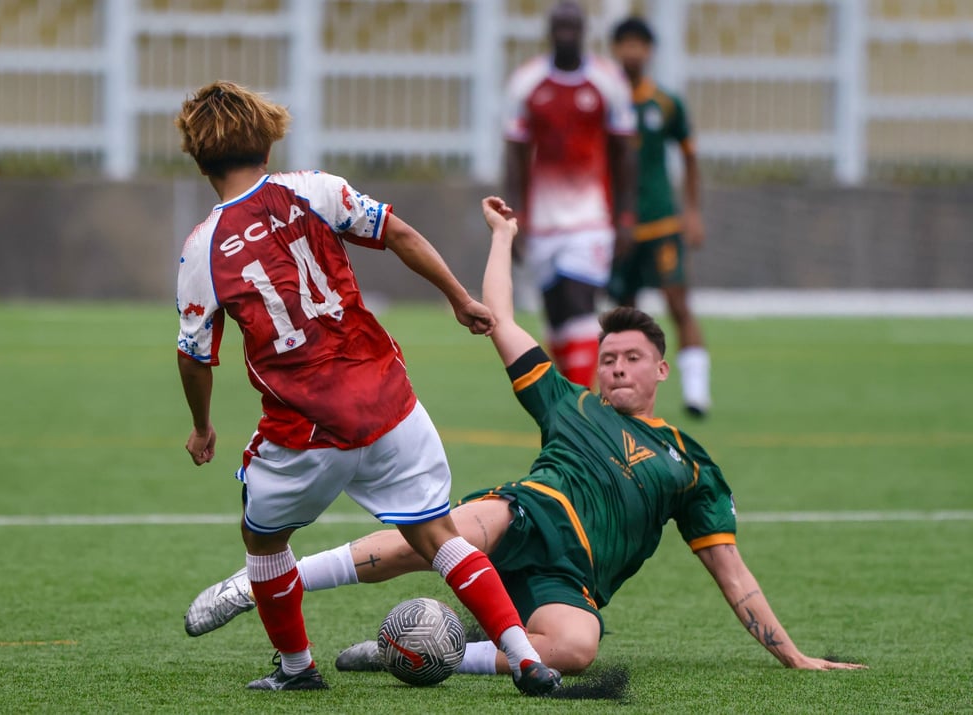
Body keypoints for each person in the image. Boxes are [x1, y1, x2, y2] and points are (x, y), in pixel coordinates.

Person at [185, 196, 867, 677]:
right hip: (523, 517)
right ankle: (261, 584)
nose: (617, 366)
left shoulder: (691, 464)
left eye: (632, 357)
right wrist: (503, 237)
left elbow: (732, 573)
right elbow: (501, 318)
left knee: (575, 648)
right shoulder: (567, 401)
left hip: (569, 580)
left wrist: (792, 654)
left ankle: (417, 652)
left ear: (662, 368)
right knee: (457, 523)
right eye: (608, 357)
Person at [173, 81, 560, 695]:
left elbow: (196, 356)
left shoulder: (204, 247)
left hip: (306, 427)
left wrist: (202, 426)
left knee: (263, 537)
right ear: (268, 144)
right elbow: (400, 234)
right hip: (388, 403)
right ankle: (527, 660)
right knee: (437, 534)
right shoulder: (315, 189)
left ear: (197, 160)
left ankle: (298, 671)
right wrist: (460, 299)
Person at [503, 0, 637, 388]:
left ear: (584, 31)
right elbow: (514, 157)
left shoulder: (607, 80)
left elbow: (624, 153)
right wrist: (516, 219)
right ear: (550, 32)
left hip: (589, 219)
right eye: (559, 27)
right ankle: (570, 406)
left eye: (572, 28)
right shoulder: (526, 83)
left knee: (580, 307)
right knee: (557, 318)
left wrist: (625, 216)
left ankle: (582, 412)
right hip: (542, 224)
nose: (566, 35)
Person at [609, 17, 712, 416]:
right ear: (615, 50)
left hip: (662, 224)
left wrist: (692, 212)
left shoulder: (665, 103)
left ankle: (696, 393)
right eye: (625, 44)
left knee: (678, 303)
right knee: (625, 313)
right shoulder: (607, 101)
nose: (632, 52)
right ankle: (625, 395)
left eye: (639, 44)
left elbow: (689, 155)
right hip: (622, 229)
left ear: (649, 52)